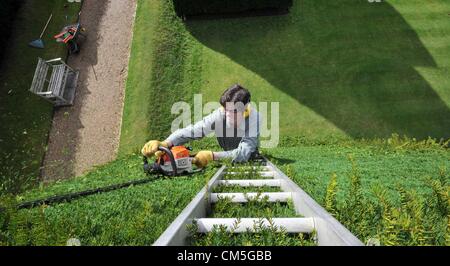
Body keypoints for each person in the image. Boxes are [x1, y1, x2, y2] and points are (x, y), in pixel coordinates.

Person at [141, 84, 261, 168]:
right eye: (224, 109)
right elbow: (194, 130)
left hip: (249, 156)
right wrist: (166, 143)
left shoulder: (254, 119)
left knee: (248, 155)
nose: (225, 113)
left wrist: (212, 156)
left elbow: (243, 153)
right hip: (226, 151)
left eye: (230, 111)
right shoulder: (220, 114)